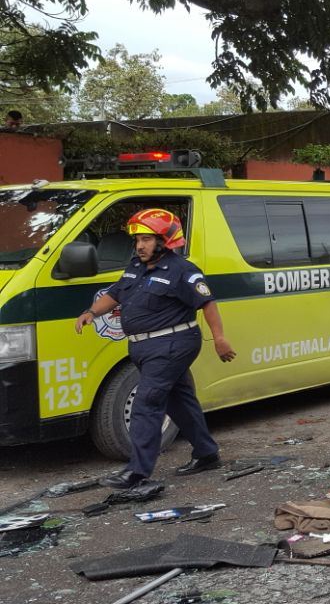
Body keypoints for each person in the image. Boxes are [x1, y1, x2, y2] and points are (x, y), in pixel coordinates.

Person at [75, 208, 236, 488]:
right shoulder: (135, 267)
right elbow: (115, 293)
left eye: (147, 240)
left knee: (146, 403)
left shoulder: (182, 271)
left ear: (165, 241)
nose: (140, 246)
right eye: (137, 240)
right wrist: (92, 311)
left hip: (172, 344)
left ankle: (137, 472)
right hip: (145, 346)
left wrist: (219, 339)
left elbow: (207, 303)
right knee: (179, 400)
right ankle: (207, 453)